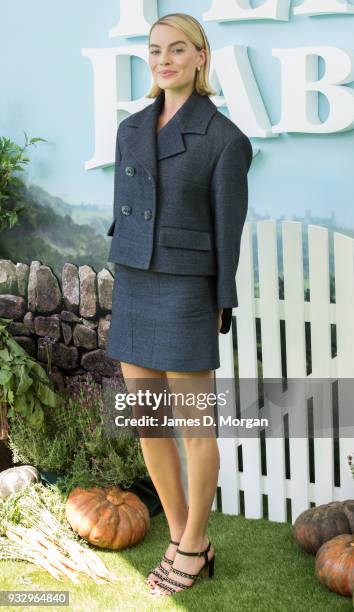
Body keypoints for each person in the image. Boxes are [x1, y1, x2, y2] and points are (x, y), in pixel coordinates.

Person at [105, 12, 253, 597]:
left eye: (177, 49)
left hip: (189, 290)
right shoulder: (130, 129)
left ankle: (194, 544)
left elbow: (229, 232)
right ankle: (180, 534)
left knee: (195, 431)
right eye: (155, 50)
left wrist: (221, 300)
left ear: (201, 57)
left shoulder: (225, 140)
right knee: (149, 424)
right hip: (136, 285)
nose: (165, 59)